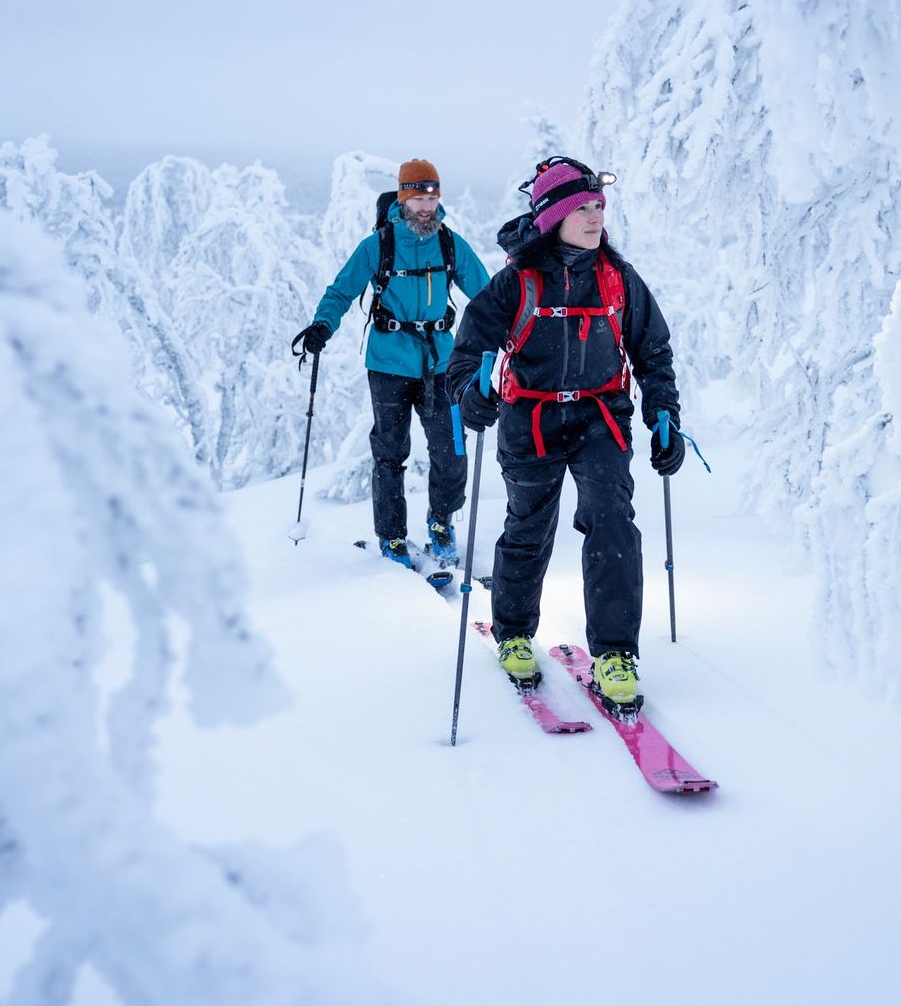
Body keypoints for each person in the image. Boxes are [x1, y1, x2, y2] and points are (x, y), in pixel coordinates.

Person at [446, 157, 684, 712]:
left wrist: (664, 417)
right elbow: (467, 356)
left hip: (601, 416)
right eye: (584, 207)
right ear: (554, 216)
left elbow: (653, 351)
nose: (596, 216)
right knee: (529, 526)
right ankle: (511, 632)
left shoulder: (618, 278)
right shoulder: (517, 283)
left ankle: (615, 654)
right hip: (530, 419)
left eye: (600, 206)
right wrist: (470, 394)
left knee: (613, 521)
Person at [293, 159, 491, 568]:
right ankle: (392, 538)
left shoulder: (450, 243)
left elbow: (488, 295)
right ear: (403, 199)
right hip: (388, 363)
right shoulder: (378, 245)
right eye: (418, 198)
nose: (426, 207)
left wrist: (514, 327)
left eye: (432, 199)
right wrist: (321, 326)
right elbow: (341, 290)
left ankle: (441, 522)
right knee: (389, 452)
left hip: (441, 364)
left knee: (452, 448)